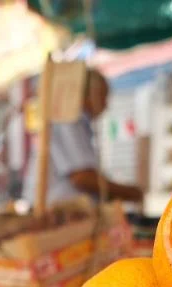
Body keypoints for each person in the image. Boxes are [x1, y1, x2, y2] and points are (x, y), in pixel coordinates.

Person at [23, 68, 143, 206]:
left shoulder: (74, 121)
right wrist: (130, 193)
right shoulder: (68, 120)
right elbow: (82, 178)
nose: (106, 105)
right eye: (104, 96)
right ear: (90, 94)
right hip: (59, 212)